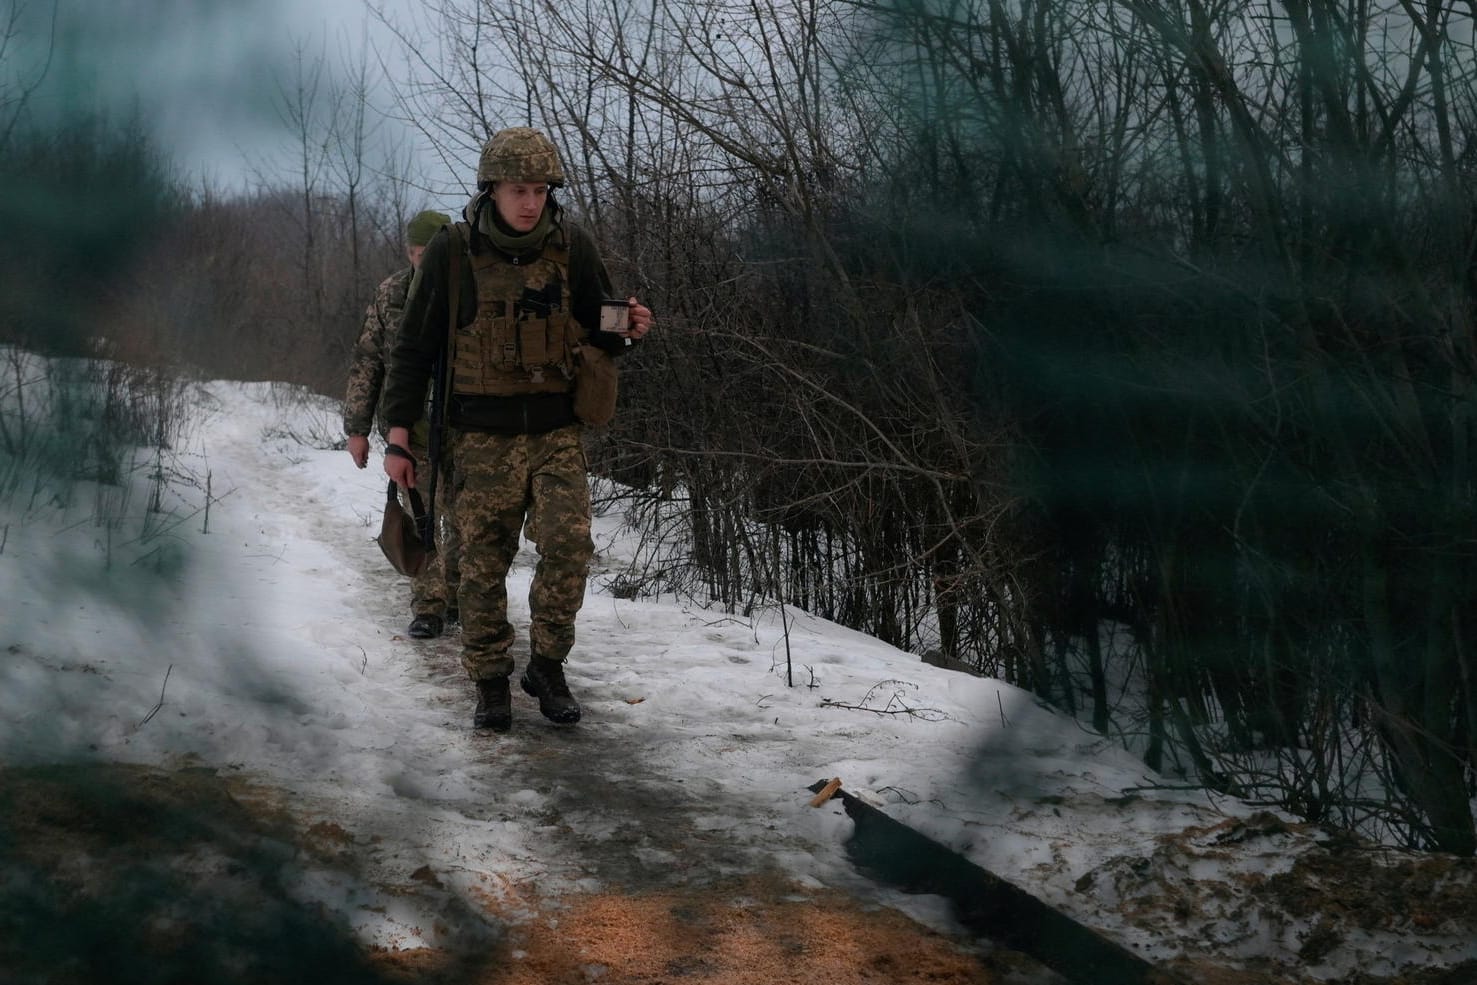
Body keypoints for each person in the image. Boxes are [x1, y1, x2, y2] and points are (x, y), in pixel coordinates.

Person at [380, 127, 652, 732]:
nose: (530, 202)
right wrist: (398, 438)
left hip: (555, 432)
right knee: (480, 564)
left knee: (570, 549)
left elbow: (598, 326)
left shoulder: (570, 246)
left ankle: (547, 667)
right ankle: (490, 681)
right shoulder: (452, 253)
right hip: (477, 437)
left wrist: (629, 326)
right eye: (517, 190)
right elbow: (412, 352)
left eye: (539, 190)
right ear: (492, 190)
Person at [344, 208, 461, 639]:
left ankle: (460, 594)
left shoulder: (470, 292)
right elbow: (367, 362)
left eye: (429, 254)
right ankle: (429, 605)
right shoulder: (391, 294)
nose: (421, 262)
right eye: (415, 254)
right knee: (422, 514)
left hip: (465, 426)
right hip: (408, 428)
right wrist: (356, 428)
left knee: (464, 517)